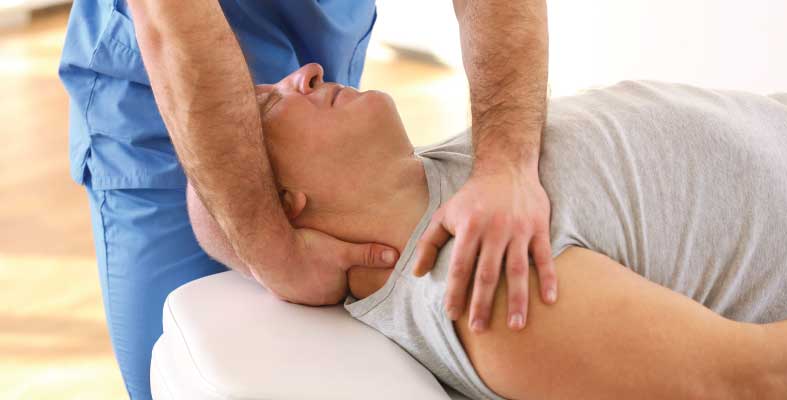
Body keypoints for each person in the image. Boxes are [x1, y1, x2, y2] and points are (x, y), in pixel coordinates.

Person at [188, 64, 787, 399]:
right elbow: (759, 381)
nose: (308, 72)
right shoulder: (483, 286)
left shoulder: (439, 178)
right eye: (272, 105)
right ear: (288, 208)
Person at [58, 1, 555, 398]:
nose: (310, 73)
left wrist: (506, 165)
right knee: (176, 368)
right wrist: (270, 246)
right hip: (160, 103)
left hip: (314, 59)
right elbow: (172, 16)